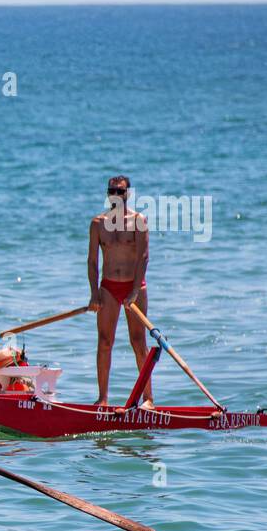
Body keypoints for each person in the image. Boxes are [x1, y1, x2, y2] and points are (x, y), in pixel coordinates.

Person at [87, 175, 152, 408]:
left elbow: (144, 257)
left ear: (128, 194)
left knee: (138, 342)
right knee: (104, 342)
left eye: (120, 191)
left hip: (134, 287)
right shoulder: (97, 224)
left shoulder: (138, 221)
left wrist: (134, 291)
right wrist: (94, 293)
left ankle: (148, 400)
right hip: (108, 287)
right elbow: (92, 262)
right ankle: (102, 399)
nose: (116, 195)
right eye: (112, 191)